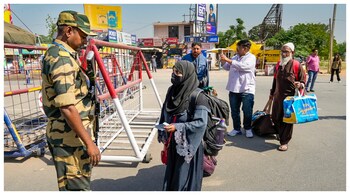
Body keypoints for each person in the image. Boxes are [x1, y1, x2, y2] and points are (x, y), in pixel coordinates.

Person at [41, 10, 101, 191]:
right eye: (82, 36)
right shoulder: (61, 58)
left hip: (71, 136)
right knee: (76, 189)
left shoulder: (61, 54)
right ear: (68, 31)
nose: (85, 41)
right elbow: (67, 106)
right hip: (69, 139)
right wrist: (90, 144)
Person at [158, 60, 210, 191]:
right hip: (173, 142)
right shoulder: (172, 91)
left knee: (183, 175)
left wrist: (178, 127)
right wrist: (162, 127)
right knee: (174, 173)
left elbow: (201, 123)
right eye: (173, 71)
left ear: (187, 74)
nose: (174, 75)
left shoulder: (198, 96)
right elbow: (165, 110)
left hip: (188, 144)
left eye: (178, 72)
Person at [269, 42, 306, 151]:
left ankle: (284, 141)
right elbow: (275, 80)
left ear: (292, 53)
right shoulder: (278, 65)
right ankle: (280, 133)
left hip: (290, 98)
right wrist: (271, 94)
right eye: (282, 51)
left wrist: (300, 84)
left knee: (287, 120)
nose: (284, 54)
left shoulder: (296, 65)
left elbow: (303, 80)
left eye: (286, 52)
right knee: (276, 117)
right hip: (277, 97)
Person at [220, 39, 256, 138]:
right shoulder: (235, 57)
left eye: (238, 47)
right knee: (234, 110)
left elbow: (244, 67)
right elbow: (227, 67)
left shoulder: (251, 58)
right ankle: (237, 128)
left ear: (245, 49)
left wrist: (228, 60)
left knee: (247, 110)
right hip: (233, 88)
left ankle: (248, 128)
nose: (236, 49)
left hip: (247, 89)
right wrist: (223, 62)